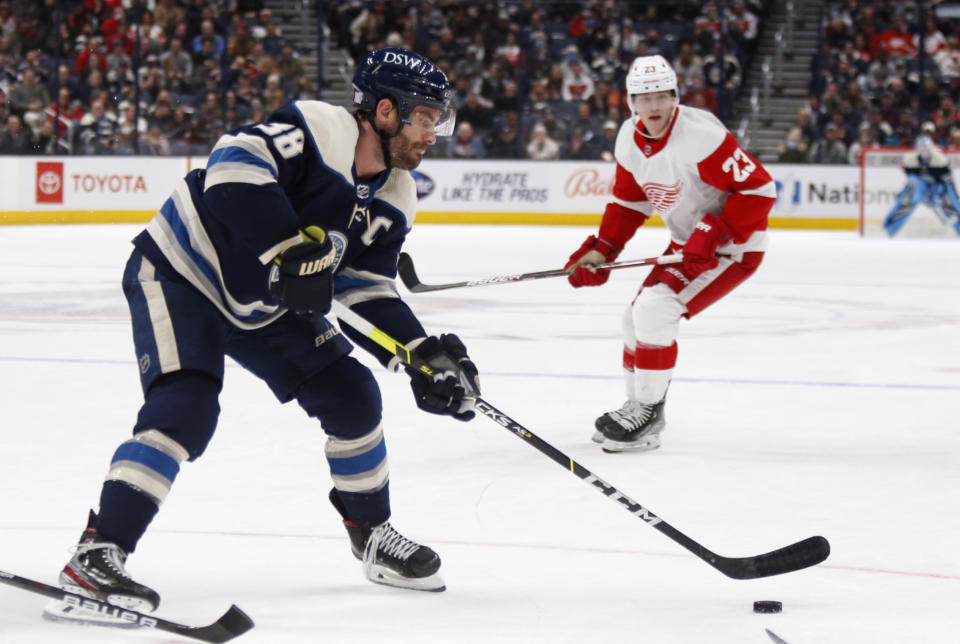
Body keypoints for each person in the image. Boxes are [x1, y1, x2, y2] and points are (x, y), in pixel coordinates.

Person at [47, 47, 481, 623]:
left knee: (351, 395)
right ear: (384, 110)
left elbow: (365, 287)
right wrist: (287, 248)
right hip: (184, 269)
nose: (434, 132)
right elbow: (232, 163)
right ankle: (96, 554)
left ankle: (371, 535)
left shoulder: (397, 194)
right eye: (425, 117)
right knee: (187, 403)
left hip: (263, 302)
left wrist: (421, 354)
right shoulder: (320, 128)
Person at [563, 55, 775, 453]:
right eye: (644, 98)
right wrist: (602, 249)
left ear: (676, 96)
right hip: (689, 244)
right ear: (631, 103)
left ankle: (647, 410)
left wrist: (712, 232)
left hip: (734, 247)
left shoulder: (699, 136)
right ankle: (638, 410)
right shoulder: (629, 137)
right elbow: (629, 202)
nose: (655, 106)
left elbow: (760, 190)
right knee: (633, 320)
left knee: (655, 311)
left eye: (663, 96)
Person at [883, 125, 960, 236]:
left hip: (937, 187)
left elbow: (948, 183)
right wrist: (903, 194)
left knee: (949, 205)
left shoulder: (940, 160)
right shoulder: (910, 160)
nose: (924, 151)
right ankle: (890, 227)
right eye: (922, 148)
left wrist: (953, 198)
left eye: (926, 148)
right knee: (908, 201)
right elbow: (911, 180)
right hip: (920, 187)